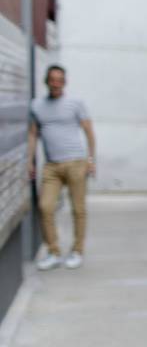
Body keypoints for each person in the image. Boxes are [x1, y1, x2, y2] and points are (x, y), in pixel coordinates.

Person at [27, 64, 96, 270]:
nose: (56, 83)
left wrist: (91, 160)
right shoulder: (37, 105)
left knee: (78, 209)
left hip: (76, 163)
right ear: (46, 81)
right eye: (52, 79)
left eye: (60, 79)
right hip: (51, 166)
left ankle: (77, 251)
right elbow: (33, 134)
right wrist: (30, 161)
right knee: (45, 207)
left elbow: (89, 132)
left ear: (64, 82)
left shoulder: (75, 103)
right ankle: (54, 251)